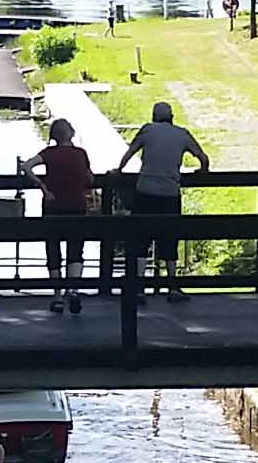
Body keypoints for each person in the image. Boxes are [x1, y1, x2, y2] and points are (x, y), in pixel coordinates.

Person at [113, 100, 211, 298]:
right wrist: (203, 171)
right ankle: (172, 287)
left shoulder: (147, 131)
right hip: (169, 193)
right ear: (171, 117)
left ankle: (139, 287)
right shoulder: (182, 134)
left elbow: (130, 152)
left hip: (145, 191)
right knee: (169, 239)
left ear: (153, 117)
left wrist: (118, 170)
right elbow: (203, 157)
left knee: (140, 240)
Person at [21, 117, 96, 311]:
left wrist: (43, 187)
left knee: (53, 249)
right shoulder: (81, 153)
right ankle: (74, 291)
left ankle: (57, 297)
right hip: (77, 205)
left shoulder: (49, 153)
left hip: (53, 205)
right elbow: (89, 177)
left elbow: (27, 166)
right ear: (69, 133)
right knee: (76, 250)